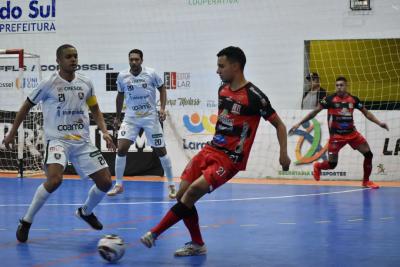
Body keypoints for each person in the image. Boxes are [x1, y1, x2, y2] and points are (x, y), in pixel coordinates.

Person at [140, 46, 291, 256]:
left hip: (231, 159)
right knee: (182, 195)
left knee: (192, 192)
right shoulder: (223, 89)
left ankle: (154, 233)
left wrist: (283, 154)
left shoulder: (254, 96)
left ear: (235, 66)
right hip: (211, 149)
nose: (217, 70)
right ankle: (198, 244)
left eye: (221, 66)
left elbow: (280, 126)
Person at [2, 44, 116, 242]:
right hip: (57, 140)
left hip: (82, 142)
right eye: (69, 57)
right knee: (55, 180)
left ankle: (86, 212)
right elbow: (25, 107)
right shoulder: (49, 83)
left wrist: (104, 131)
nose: (73, 60)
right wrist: (12, 133)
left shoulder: (86, 82)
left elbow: (95, 108)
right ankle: (27, 221)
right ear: (59, 61)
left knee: (106, 182)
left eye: (75, 56)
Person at [290, 76, 389, 188]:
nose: (339, 87)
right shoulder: (329, 99)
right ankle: (318, 166)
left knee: (368, 154)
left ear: (346, 86)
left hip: (352, 134)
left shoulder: (354, 99)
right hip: (336, 136)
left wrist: (379, 123)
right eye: (337, 85)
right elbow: (314, 113)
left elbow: (367, 113)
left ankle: (366, 181)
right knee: (332, 165)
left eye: (341, 85)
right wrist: (299, 123)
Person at [107, 49, 176, 198]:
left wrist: (162, 108)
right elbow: (120, 96)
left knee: (161, 151)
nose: (134, 62)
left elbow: (162, 89)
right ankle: (119, 185)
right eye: (131, 59)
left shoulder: (151, 73)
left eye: (136, 59)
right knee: (122, 148)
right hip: (131, 118)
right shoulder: (122, 76)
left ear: (141, 60)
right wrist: (118, 117)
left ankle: (171, 185)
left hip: (150, 118)